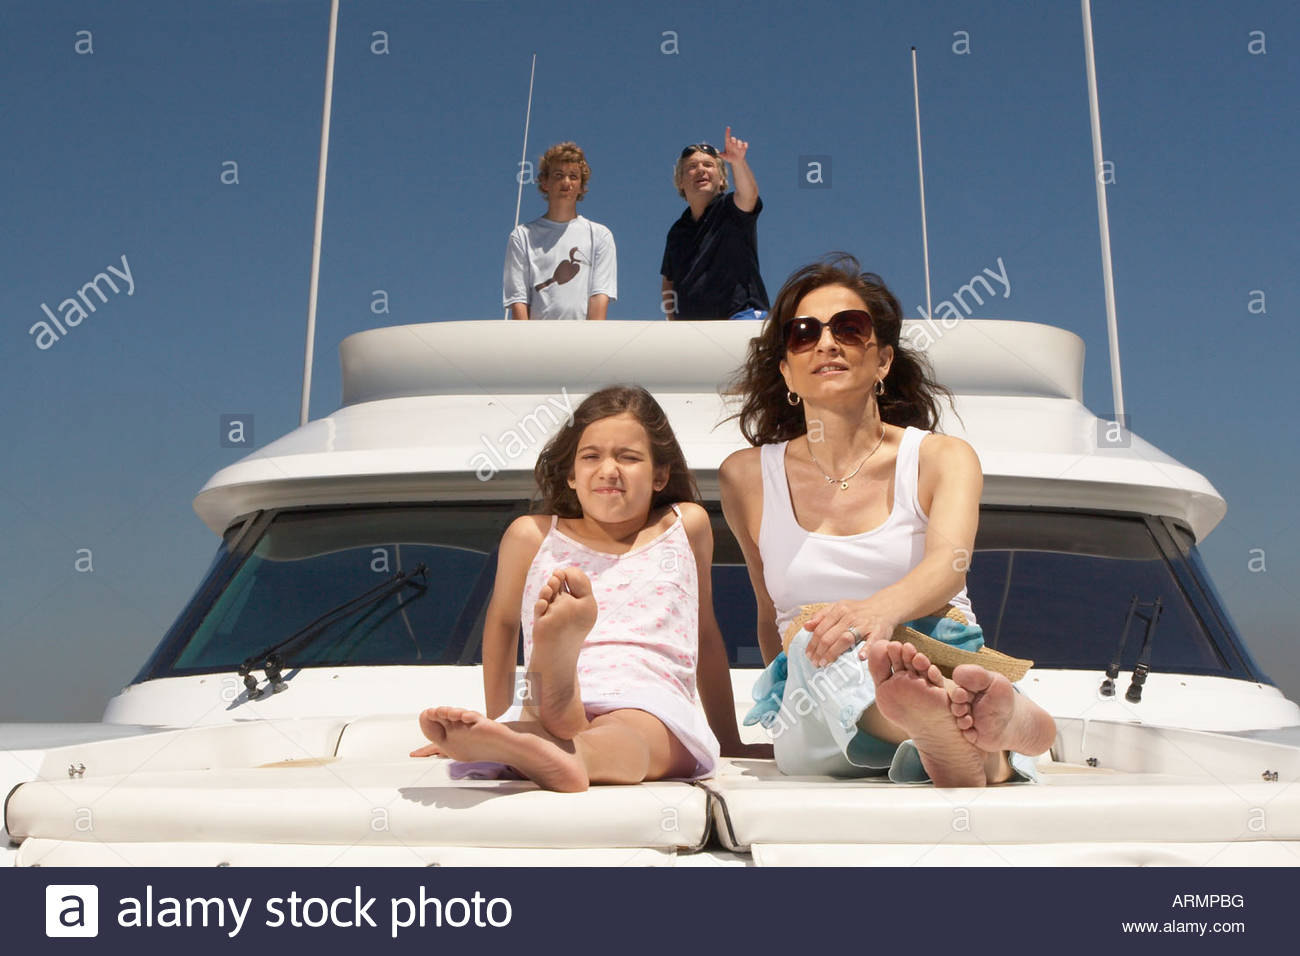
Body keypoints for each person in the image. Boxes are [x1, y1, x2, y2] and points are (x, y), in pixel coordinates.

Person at [719, 254, 1056, 787]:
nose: (826, 343)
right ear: (785, 369)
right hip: (816, 699)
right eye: (804, 333)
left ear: (882, 361)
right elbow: (769, 612)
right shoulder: (746, 477)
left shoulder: (941, 458)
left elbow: (950, 566)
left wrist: (874, 613)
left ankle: (952, 731)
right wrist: (815, 661)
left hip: (939, 652)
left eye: (848, 329)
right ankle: (990, 731)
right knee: (812, 641)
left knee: (840, 641)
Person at [412, 385, 766, 791]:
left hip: (648, 693)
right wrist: (497, 725)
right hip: (559, 689)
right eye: (591, 456)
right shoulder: (532, 536)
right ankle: (538, 733)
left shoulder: (684, 525)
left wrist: (728, 739)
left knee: (634, 730)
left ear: (660, 476)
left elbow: (702, 632)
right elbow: (504, 627)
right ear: (571, 475)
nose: (609, 469)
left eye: (629, 457)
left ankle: (547, 747)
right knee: (610, 736)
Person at [660, 128, 769, 321]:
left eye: (708, 165)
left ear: (721, 178)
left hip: (741, 316)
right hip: (692, 330)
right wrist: (672, 320)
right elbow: (669, 281)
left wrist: (738, 162)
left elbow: (749, 195)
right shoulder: (677, 232)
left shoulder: (732, 209)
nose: (701, 169)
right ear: (681, 182)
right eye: (692, 167)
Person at [504, 142, 617, 321]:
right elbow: (519, 300)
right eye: (558, 175)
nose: (566, 182)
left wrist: (594, 346)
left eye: (573, 176)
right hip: (536, 344)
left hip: (583, 344)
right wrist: (524, 346)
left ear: (581, 185)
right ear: (545, 182)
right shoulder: (522, 236)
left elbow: (599, 297)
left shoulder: (600, 236)